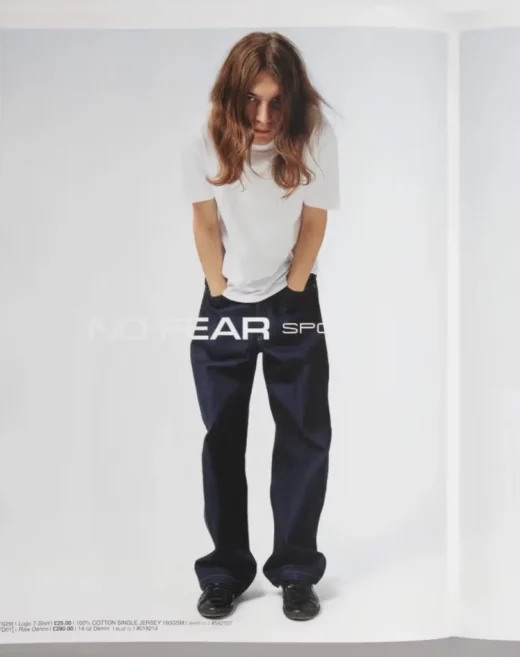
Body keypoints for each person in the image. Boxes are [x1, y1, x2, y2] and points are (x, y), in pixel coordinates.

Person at [179, 31, 340, 622]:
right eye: (253, 101)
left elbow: (315, 224)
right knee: (222, 434)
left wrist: (294, 292)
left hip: (293, 298)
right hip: (223, 300)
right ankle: (224, 570)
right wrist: (221, 290)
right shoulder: (205, 137)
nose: (265, 116)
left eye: (276, 102)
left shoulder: (315, 133)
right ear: (233, 97)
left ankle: (295, 572)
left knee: (302, 433)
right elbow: (202, 221)